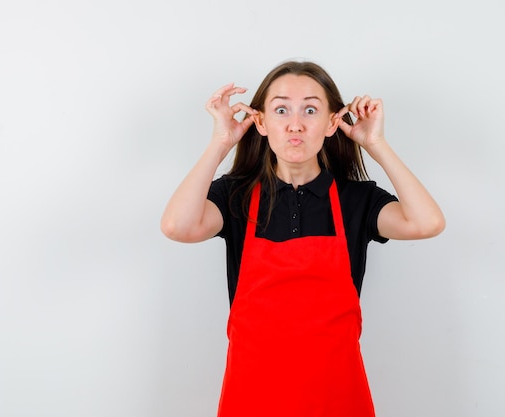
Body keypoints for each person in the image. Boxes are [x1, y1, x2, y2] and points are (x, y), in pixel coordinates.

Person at [160, 60, 445, 417]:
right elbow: (177, 226)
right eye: (281, 110)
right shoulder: (237, 197)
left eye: (310, 109)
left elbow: (427, 222)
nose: (296, 124)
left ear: (331, 123)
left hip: (338, 399)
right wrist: (221, 142)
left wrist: (376, 143)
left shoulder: (356, 201)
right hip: (252, 398)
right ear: (260, 122)